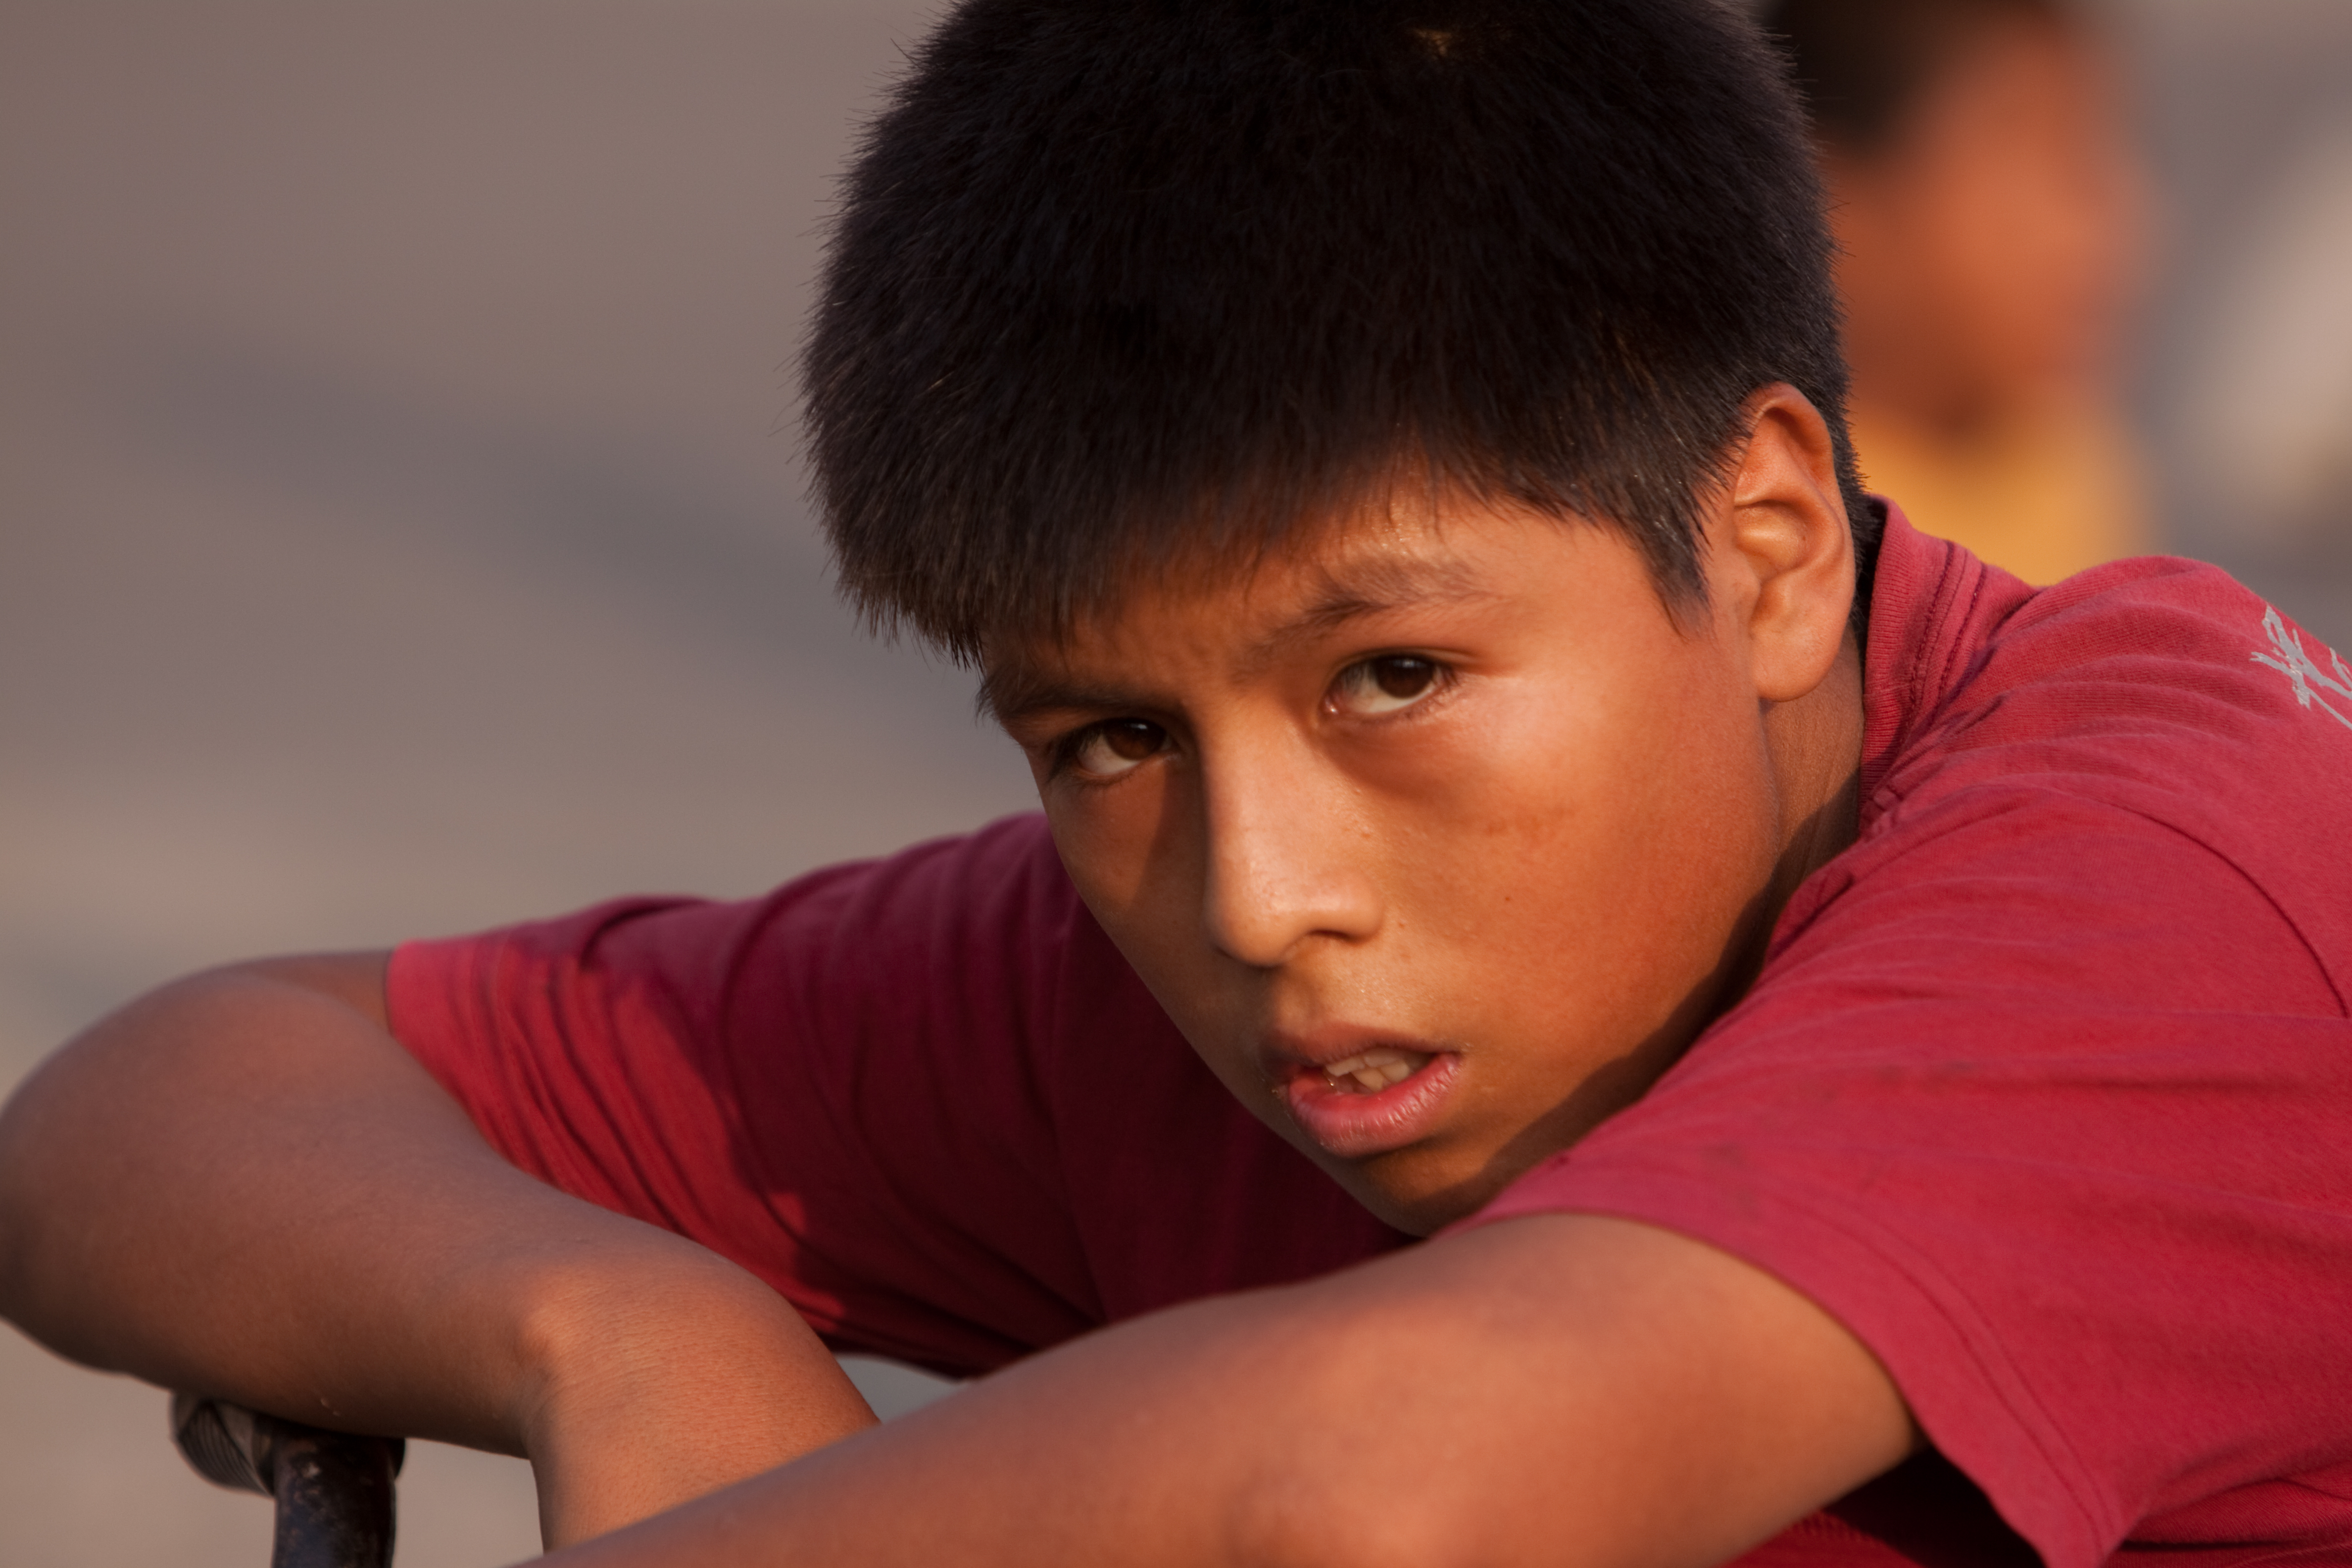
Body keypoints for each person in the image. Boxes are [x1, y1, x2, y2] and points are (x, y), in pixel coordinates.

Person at [2, 2, 2349, 1564]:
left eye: (1395, 673)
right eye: (1106, 736)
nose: (1259, 894)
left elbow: (1393, 1481)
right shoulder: (1190, 968)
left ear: (1759, 548)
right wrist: (619, 1327)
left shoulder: (2174, 859)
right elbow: (171, 1096)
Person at [1763, 0, 2154, 585]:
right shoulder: (1770, 510)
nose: (2115, 221)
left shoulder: (2071, 466)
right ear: (1838, 202)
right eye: (2033, 152)